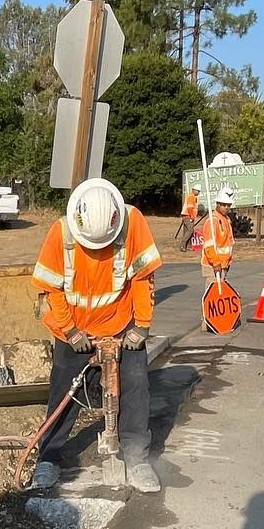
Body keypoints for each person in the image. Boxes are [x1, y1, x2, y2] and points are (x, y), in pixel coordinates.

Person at [30, 176, 163, 494]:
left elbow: (143, 278)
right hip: (73, 325)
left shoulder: (132, 224)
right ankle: (49, 457)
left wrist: (141, 325)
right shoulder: (60, 233)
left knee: (135, 385)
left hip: (121, 323)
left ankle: (136, 457)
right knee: (65, 390)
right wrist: (72, 332)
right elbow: (53, 288)